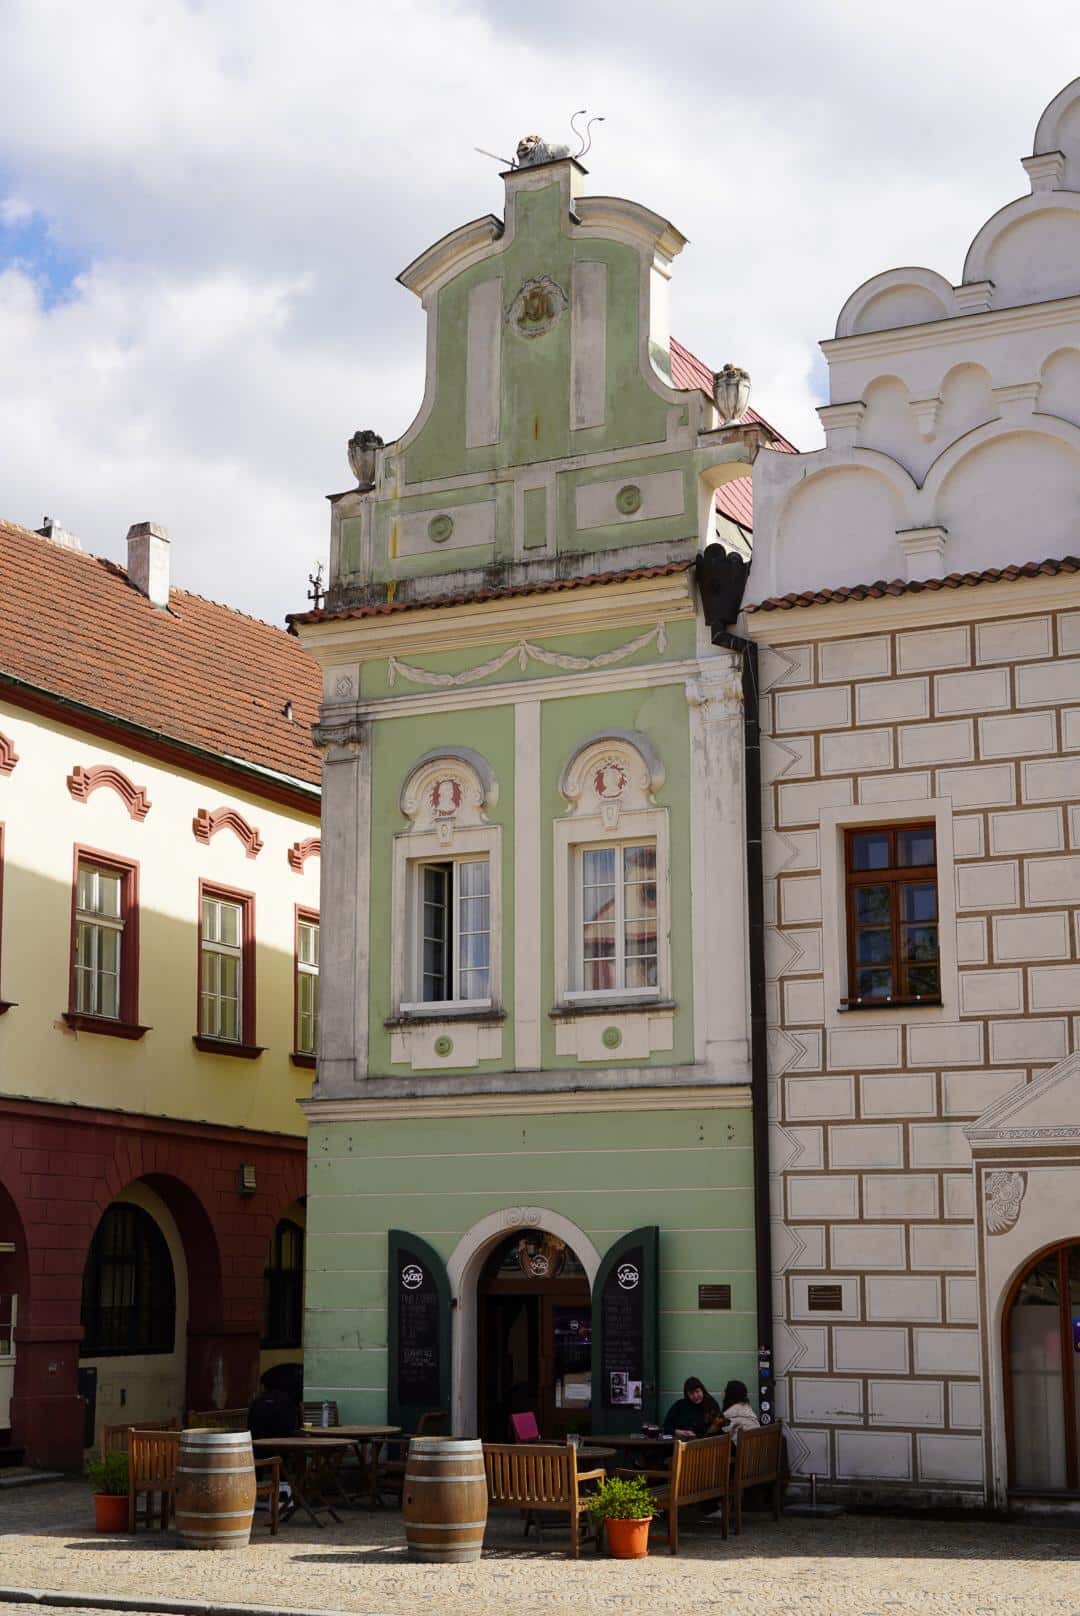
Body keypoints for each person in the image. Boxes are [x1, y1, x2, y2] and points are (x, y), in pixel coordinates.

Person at [719, 1379, 760, 1445]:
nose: (722, 1393)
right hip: (756, 1449)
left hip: (740, 1450)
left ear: (730, 1395)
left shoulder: (729, 1418)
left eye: (725, 1391)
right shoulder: (750, 1413)